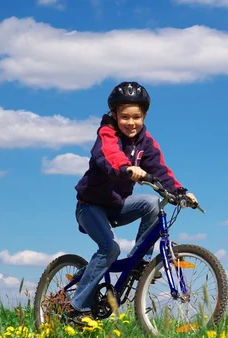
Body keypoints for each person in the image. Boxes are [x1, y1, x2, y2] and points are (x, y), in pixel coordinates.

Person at [67, 81, 197, 325]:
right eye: (124, 116)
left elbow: (160, 169)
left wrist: (181, 191)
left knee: (151, 202)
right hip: (90, 206)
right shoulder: (107, 134)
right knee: (110, 249)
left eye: (136, 117)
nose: (131, 122)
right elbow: (109, 155)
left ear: (144, 116)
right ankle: (76, 308)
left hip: (117, 205)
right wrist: (126, 168)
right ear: (114, 115)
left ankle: (141, 261)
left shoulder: (145, 142)